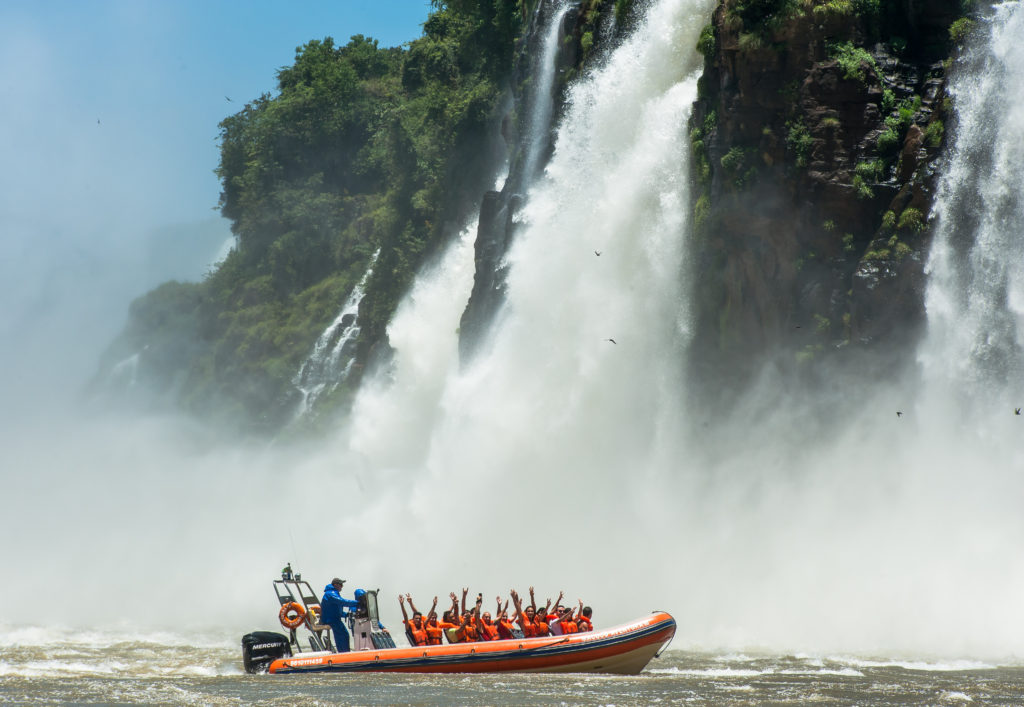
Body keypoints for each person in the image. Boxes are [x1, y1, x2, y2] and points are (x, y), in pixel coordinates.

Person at [320, 577, 360, 652]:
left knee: (344, 634)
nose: (342, 586)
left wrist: (346, 615)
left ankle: (343, 651)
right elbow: (342, 602)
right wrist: (357, 603)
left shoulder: (334, 593)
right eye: (341, 584)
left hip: (334, 619)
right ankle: (344, 653)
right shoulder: (330, 594)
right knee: (343, 635)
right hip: (331, 620)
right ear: (335, 585)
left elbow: (338, 610)